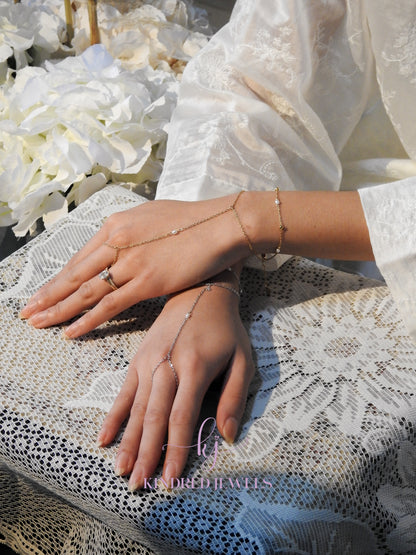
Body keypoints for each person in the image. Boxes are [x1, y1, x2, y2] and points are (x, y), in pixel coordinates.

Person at [19, 0, 416, 492]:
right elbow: (259, 74)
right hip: (322, 207)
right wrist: (207, 272)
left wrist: (241, 220)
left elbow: (247, 217)